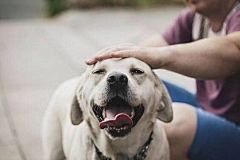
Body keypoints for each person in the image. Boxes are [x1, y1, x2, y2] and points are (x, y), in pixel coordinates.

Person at [85, 0, 240, 159]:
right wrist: (107, 70)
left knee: (177, 123)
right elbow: (140, 52)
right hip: (207, 106)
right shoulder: (194, 18)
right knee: (142, 85)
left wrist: (160, 57)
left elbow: (235, 48)